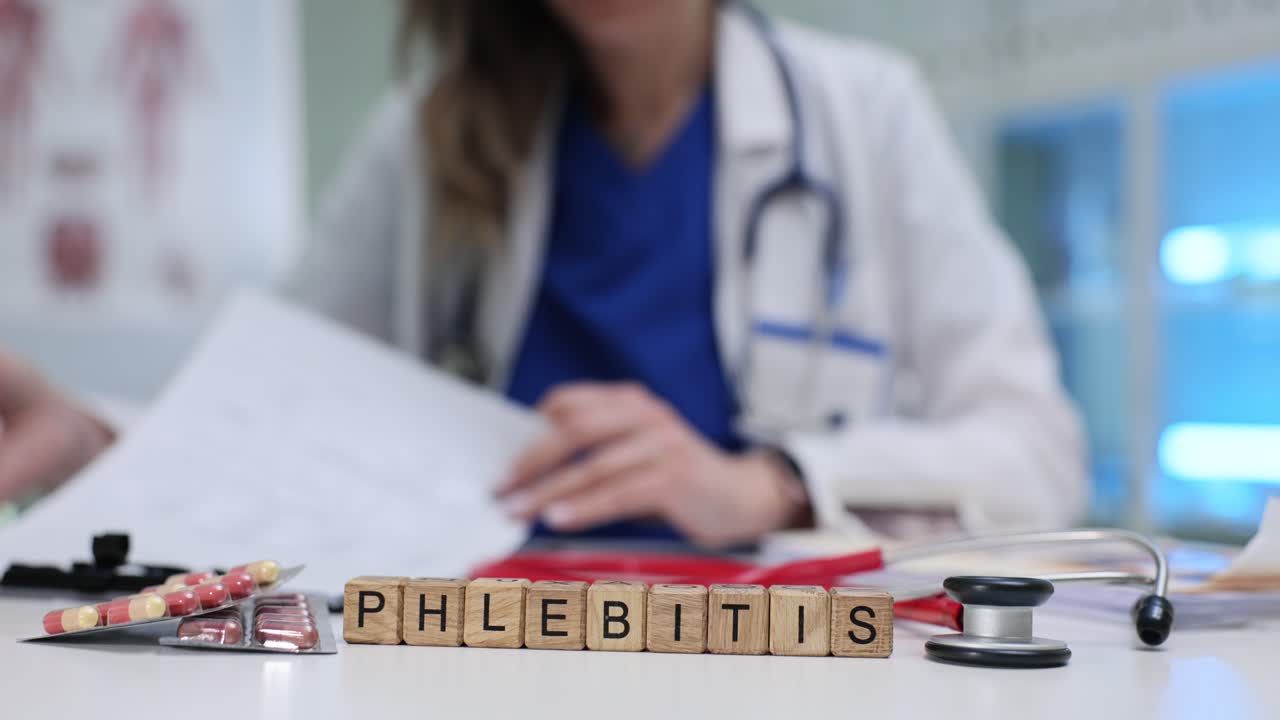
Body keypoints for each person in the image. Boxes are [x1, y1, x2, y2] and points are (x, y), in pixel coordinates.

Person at [0, 0, 1086, 547]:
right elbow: (270, 416)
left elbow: (1035, 453)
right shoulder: (429, 142)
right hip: (481, 649)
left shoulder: (864, 115)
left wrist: (765, 483)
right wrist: (92, 435)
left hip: (775, 658)